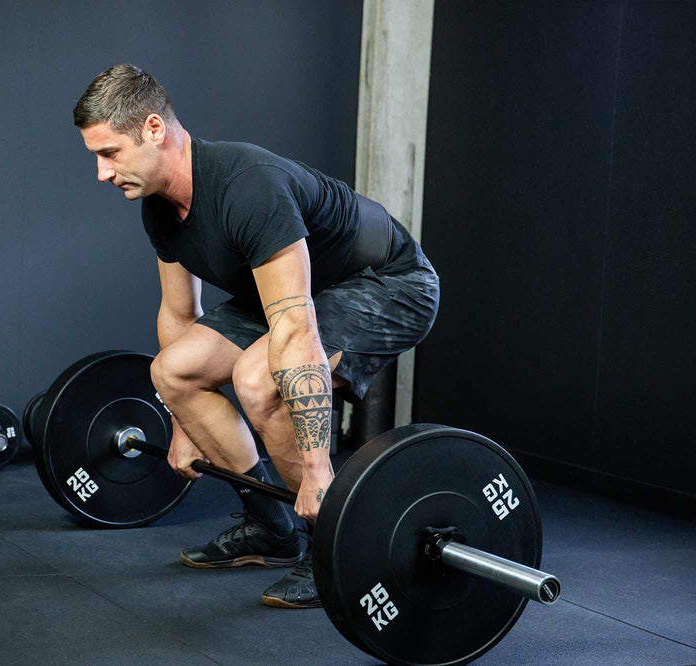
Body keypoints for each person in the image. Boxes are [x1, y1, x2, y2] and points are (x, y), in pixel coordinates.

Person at [72, 64, 439, 608]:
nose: (102, 173)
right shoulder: (158, 207)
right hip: (295, 291)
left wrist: (317, 471)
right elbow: (179, 313)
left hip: (388, 283)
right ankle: (271, 527)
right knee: (172, 371)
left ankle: (332, 546)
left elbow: (295, 326)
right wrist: (184, 421)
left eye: (110, 153)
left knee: (259, 380)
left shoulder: (247, 186)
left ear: (153, 128)